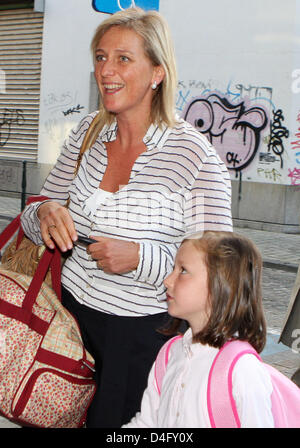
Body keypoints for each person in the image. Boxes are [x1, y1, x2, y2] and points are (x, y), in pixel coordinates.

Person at [20, 8, 232, 427]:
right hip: (66, 324)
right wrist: (45, 212)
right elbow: (33, 209)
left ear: (157, 72)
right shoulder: (86, 134)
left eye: (123, 58)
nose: (106, 70)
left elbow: (222, 267)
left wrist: (142, 257)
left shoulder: (194, 156)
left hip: (141, 342)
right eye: (100, 57)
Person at [123, 232, 276, 428]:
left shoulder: (242, 369)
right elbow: (147, 423)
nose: (168, 281)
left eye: (183, 270)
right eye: (173, 269)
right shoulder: (170, 354)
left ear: (220, 284)